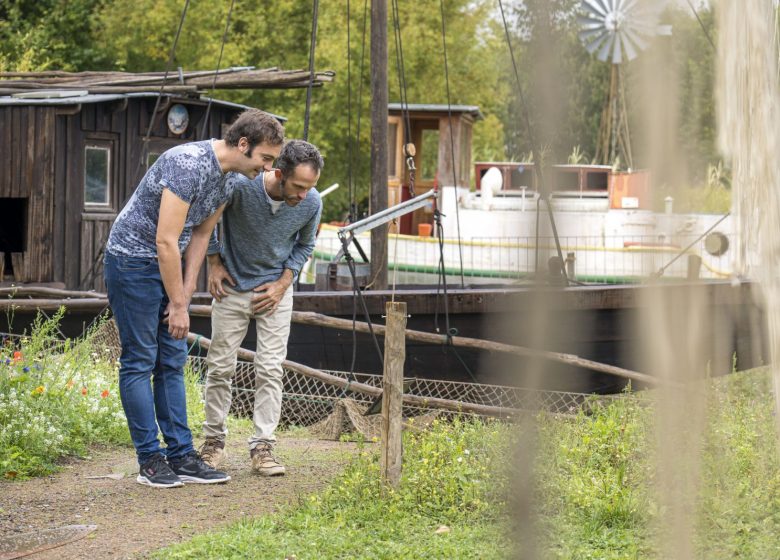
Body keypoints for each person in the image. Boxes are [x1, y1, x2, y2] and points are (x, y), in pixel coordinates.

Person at [103, 109, 285, 488]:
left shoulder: (231, 180)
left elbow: (200, 236)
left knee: (172, 357)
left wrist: (183, 295)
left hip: (167, 265)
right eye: (266, 158)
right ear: (243, 144)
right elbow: (165, 240)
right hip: (132, 261)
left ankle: (182, 455)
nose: (268, 167)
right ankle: (150, 460)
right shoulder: (187, 164)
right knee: (140, 359)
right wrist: (180, 305)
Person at [199, 139, 323, 476]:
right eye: (298, 186)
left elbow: (305, 245)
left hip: (274, 293)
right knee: (220, 365)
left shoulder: (311, 202)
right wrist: (213, 264)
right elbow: (208, 222)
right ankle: (212, 443)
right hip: (232, 287)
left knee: (270, 368)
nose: (303, 194)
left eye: (310, 187)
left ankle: (263, 447)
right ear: (279, 173)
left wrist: (283, 284)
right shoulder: (242, 186)